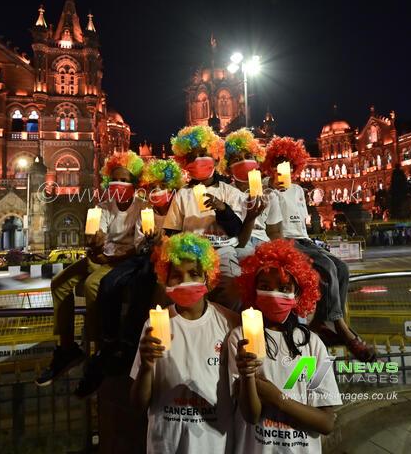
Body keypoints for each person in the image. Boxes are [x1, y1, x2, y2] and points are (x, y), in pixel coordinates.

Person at [36, 151, 146, 390]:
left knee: (91, 285)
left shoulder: (141, 207)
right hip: (101, 256)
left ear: (135, 184)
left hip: (121, 261)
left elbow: (138, 247)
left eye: (126, 180)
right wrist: (94, 242)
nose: (120, 184)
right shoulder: (103, 205)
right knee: (60, 283)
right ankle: (67, 348)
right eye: (115, 179)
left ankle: (97, 352)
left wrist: (108, 255)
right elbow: (97, 234)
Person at [77, 159, 187, 395]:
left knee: (142, 286)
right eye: (154, 186)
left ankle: (127, 346)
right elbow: (136, 245)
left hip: (158, 264)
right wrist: (96, 246)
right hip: (135, 261)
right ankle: (106, 344)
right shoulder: (132, 209)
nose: (159, 191)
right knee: (104, 283)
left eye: (164, 186)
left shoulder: (179, 205)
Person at [263, 136, 375, 361]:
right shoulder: (266, 186)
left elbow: (300, 224)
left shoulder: (297, 190)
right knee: (326, 267)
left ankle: (322, 322)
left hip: (304, 240)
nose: (284, 167)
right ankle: (340, 325)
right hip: (285, 241)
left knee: (341, 267)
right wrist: (271, 189)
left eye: (289, 163)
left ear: (295, 166)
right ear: (271, 164)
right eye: (279, 162)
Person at [130, 233, 240, 453]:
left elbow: (242, 399)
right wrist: (146, 367)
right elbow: (137, 405)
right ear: (165, 279)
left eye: (194, 274)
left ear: (208, 277)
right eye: (176, 276)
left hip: (215, 446)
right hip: (166, 445)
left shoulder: (230, 324)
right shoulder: (154, 325)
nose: (185, 282)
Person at [229, 239, 340, 453]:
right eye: (264, 287)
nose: (273, 294)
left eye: (284, 288)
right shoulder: (240, 339)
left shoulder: (314, 345)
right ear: (253, 290)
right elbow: (251, 415)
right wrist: (247, 376)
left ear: (298, 294)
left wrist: (277, 398)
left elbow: (326, 422)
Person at [164, 125, 247, 310]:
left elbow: (237, 231)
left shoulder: (230, 193)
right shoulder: (182, 194)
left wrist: (222, 209)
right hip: (190, 253)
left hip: (222, 251)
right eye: (192, 157)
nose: (197, 160)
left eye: (203, 154)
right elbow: (172, 232)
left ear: (216, 159)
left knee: (232, 289)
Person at [221, 128, 283, 259]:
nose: (244, 162)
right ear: (228, 168)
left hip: (263, 242)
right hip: (238, 244)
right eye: (237, 159)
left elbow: (275, 232)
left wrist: (279, 254)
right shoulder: (224, 194)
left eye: (248, 157)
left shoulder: (269, 195)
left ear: (257, 162)